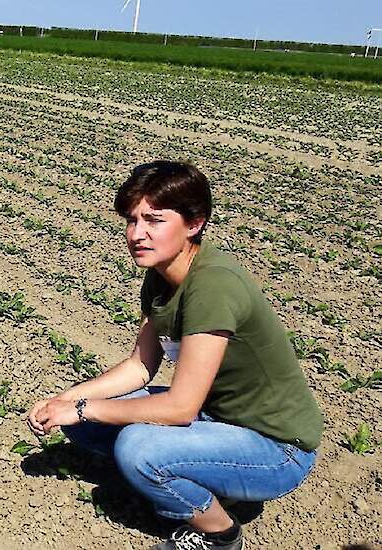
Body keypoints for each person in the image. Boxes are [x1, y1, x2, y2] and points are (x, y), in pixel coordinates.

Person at [26, 161, 323, 550]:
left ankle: (219, 534)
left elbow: (181, 407)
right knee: (85, 418)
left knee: (137, 448)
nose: (138, 233)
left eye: (154, 220)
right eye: (132, 220)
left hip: (277, 449)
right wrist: (69, 400)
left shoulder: (212, 286)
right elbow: (139, 365)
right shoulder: (161, 275)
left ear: (194, 224)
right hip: (218, 420)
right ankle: (190, 481)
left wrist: (85, 408)